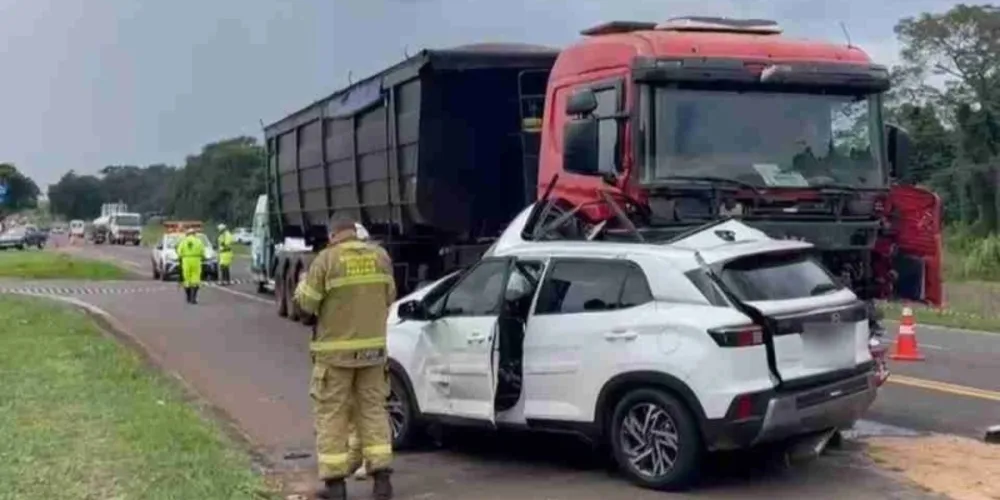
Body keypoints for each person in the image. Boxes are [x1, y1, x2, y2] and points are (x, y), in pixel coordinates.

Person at [294, 214, 396, 500]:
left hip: (335, 357)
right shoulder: (381, 257)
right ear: (354, 232)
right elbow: (389, 296)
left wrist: (302, 285)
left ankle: (336, 487)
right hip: (374, 354)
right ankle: (382, 481)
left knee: (332, 417)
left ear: (332, 235)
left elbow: (306, 305)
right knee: (374, 412)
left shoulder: (326, 260)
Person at [177, 228, 206, 304]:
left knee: (187, 279)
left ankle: (188, 297)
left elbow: (179, 252)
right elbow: (203, 252)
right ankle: (193, 298)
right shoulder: (198, 241)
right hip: (196, 260)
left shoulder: (183, 241)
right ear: (194, 234)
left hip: (186, 260)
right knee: (195, 279)